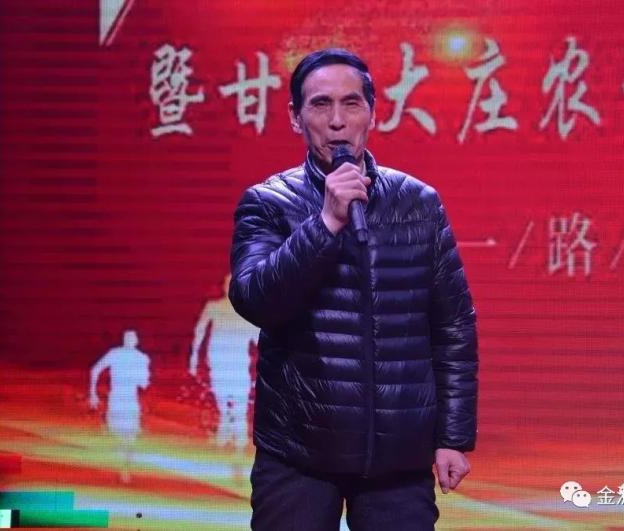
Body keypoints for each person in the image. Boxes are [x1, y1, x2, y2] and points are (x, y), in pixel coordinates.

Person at [228, 48, 478, 530]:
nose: (337, 121)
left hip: (398, 459)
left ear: (373, 113)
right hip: (298, 453)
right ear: (296, 117)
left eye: (351, 103)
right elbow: (255, 300)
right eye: (320, 105)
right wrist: (325, 223)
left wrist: (453, 436)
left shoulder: (419, 204)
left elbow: (453, 326)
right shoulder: (267, 203)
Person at [189, 273, 259, 451]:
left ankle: (240, 441)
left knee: (240, 402)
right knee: (222, 399)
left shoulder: (247, 311)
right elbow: (200, 330)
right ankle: (225, 428)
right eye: (227, 283)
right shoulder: (213, 307)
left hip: (239, 362)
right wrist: (194, 357)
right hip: (218, 362)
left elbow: (258, 338)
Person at [89, 329, 151, 483]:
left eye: (131, 338)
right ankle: (121, 464)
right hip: (118, 398)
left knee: (129, 435)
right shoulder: (116, 354)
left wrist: (140, 377)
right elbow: (95, 370)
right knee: (119, 433)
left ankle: (125, 469)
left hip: (128, 399)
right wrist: (92, 393)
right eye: (127, 338)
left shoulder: (141, 358)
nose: (129, 340)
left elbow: (144, 383)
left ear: (136, 341)